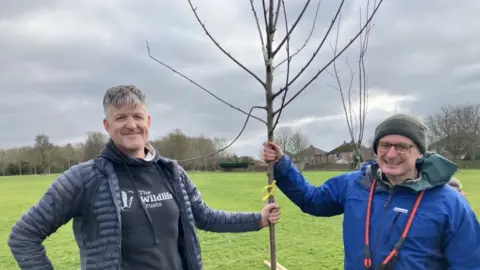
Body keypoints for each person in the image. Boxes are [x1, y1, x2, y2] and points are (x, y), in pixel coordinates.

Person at [8, 85, 280, 270]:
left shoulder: (171, 172)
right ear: (107, 125)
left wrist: (258, 219)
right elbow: (24, 236)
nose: (131, 124)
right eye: (120, 117)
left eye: (137, 116)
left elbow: (205, 216)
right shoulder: (85, 178)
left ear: (148, 121)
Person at [263, 114, 480, 269]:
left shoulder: (449, 203)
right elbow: (312, 200)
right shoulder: (355, 184)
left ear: (420, 153)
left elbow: (469, 263)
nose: (391, 154)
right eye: (384, 145)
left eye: (402, 146)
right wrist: (282, 165)